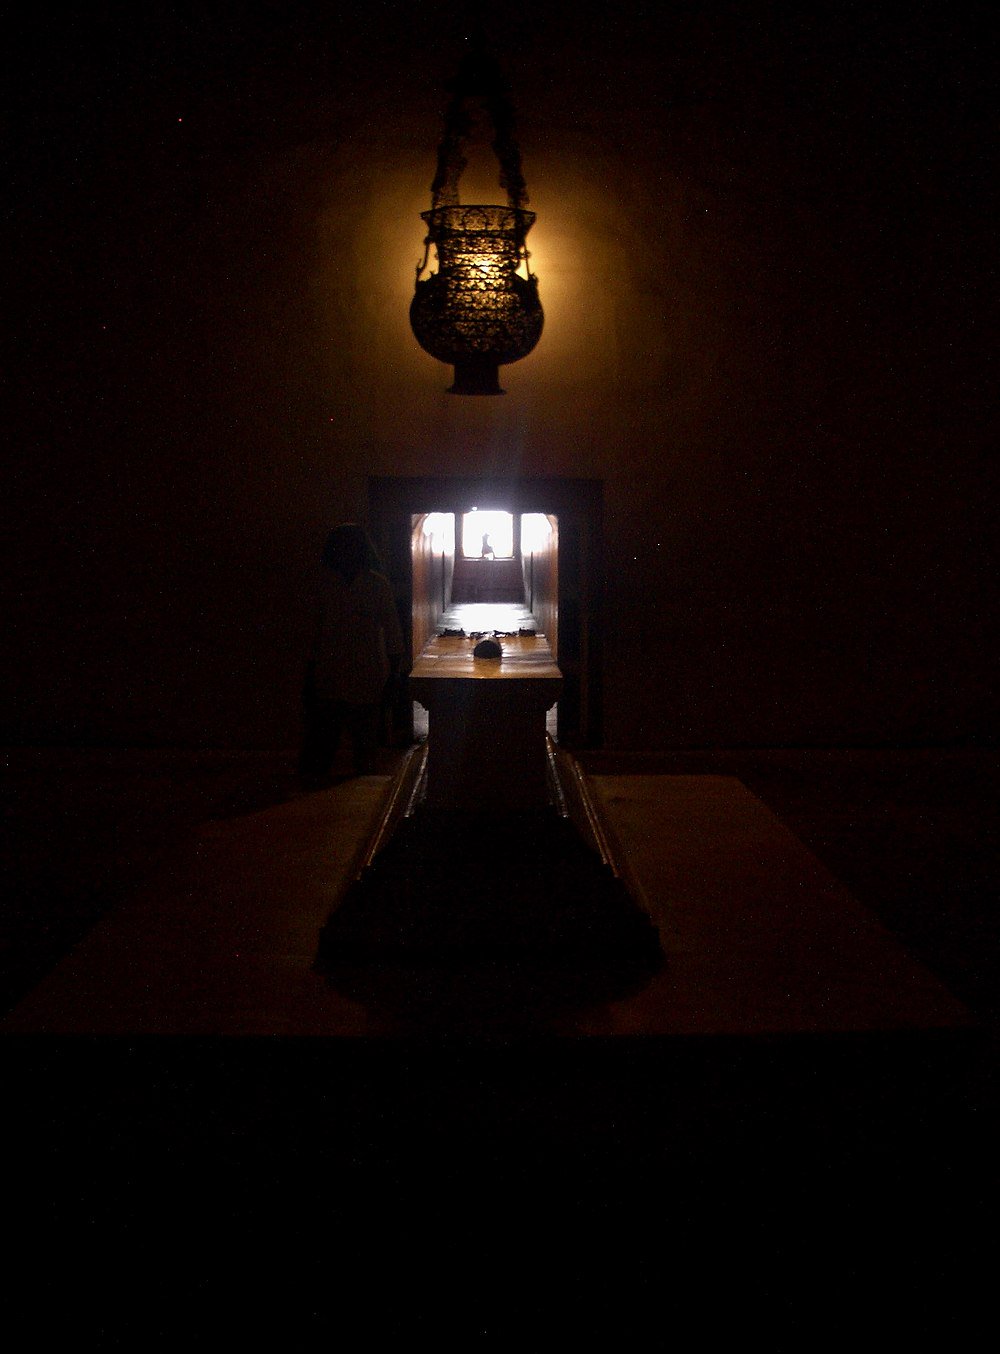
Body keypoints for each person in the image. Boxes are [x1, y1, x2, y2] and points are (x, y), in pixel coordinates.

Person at [299, 523, 405, 781]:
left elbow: (392, 630)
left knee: (364, 742)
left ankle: (360, 786)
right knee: (325, 740)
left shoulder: (376, 585)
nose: (347, 552)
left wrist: (394, 673)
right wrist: (310, 671)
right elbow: (313, 631)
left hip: (365, 672)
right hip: (330, 672)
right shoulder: (324, 584)